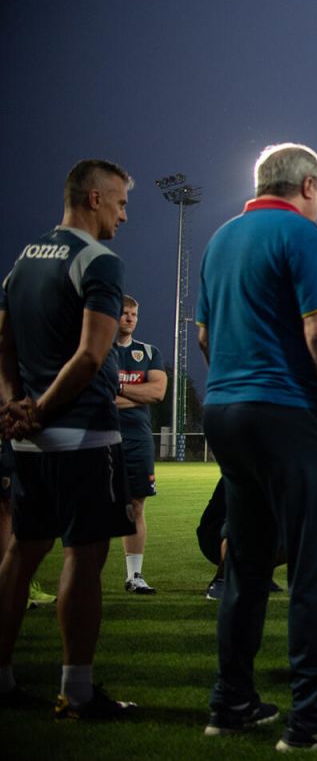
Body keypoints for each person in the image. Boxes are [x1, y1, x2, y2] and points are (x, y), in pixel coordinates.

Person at [196, 143, 317, 748]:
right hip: (288, 415)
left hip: (225, 411)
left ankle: (232, 701)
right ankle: (312, 714)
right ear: (307, 184)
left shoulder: (221, 238)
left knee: (246, 566)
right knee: (315, 564)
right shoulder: (303, 235)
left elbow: (203, 333)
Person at [0, 159, 137, 717]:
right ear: (96, 198)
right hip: (82, 436)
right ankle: (77, 691)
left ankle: (3, 679)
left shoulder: (23, 260)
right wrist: (42, 410)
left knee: (19, 555)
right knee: (84, 558)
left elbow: (3, 344)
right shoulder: (99, 261)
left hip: (28, 442)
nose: (125, 216)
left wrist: (14, 407)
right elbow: (90, 355)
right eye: (122, 203)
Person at [113, 295, 168, 595]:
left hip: (138, 440)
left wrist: (118, 388)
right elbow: (96, 396)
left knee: (136, 506)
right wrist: (138, 392)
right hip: (101, 439)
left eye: (134, 313)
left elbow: (158, 392)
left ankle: (134, 576)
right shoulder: (99, 350)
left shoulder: (149, 352)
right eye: (124, 313)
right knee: (93, 507)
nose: (130, 318)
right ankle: (84, 576)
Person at [0, 438, 57, 609]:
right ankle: (11, 585)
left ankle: (21, 584)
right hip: (8, 437)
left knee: (13, 508)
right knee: (5, 509)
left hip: (18, 442)